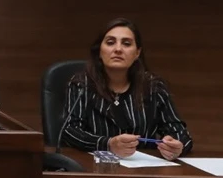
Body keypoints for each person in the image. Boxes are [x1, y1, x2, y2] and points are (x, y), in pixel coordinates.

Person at [61, 18, 193, 160]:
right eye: (110, 42)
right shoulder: (82, 85)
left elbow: (180, 133)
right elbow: (69, 131)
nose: (118, 49)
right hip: (95, 166)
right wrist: (108, 144)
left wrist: (177, 146)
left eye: (126, 43)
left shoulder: (153, 87)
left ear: (137, 53)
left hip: (143, 167)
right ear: (99, 51)